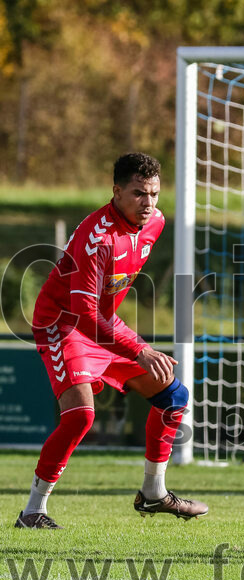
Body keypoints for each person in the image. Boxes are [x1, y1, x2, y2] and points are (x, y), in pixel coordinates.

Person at [17, 153, 208, 529]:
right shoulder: (97, 237)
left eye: (154, 193)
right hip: (63, 324)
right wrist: (139, 347)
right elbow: (85, 313)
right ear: (116, 191)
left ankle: (154, 493)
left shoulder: (155, 224)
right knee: (81, 416)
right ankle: (32, 511)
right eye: (139, 193)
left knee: (174, 396)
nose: (148, 203)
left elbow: (102, 308)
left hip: (103, 324)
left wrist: (131, 343)